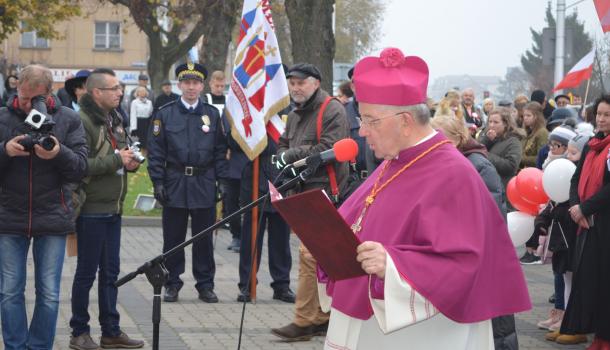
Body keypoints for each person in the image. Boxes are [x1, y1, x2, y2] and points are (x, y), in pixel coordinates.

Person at [316, 47, 530, 350]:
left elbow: (465, 264)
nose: (361, 131)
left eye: (370, 120)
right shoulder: (393, 161)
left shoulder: (454, 174)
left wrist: (391, 264)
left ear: (404, 121)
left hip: (425, 333)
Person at [0, 64, 88, 350]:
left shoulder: (68, 119)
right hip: (8, 216)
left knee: (49, 293)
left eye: (33, 99)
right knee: (10, 291)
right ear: (16, 88)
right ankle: (15, 347)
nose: (26, 104)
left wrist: (58, 153)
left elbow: (79, 169)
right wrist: (4, 151)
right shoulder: (2, 117)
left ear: (48, 94)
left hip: (52, 215)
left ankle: (38, 347)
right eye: (23, 97)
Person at [271, 63, 350, 341]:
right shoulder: (293, 114)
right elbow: (282, 144)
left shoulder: (332, 109)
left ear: (315, 83)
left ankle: (305, 321)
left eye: (300, 82)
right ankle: (320, 317)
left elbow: (328, 150)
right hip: (301, 193)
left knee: (310, 256)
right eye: (292, 83)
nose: (295, 87)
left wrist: (290, 155)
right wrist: (284, 154)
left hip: (326, 193)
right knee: (315, 258)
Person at [431, 114, 523, 350]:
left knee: (495, 331)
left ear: (458, 139)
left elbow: (489, 218)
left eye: (441, 139)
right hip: (462, 261)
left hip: (485, 260)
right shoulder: (444, 163)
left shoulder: (479, 165)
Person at [68, 68, 144, 350]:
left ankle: (111, 331)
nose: (120, 92)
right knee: (86, 273)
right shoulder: (82, 121)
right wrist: (116, 161)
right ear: (96, 92)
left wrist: (130, 161)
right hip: (91, 210)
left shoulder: (114, 117)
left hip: (113, 208)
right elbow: (78, 165)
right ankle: (79, 332)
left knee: (110, 273)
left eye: (120, 88)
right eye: (114, 88)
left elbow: (119, 153)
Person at [147, 63, 228, 304]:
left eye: (196, 83)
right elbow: (156, 151)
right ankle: (172, 283)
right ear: (179, 85)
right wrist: (158, 182)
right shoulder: (165, 113)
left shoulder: (212, 114)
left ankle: (205, 285)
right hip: (175, 181)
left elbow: (220, 150)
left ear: (202, 85)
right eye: (186, 82)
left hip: (203, 181)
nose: (191, 87)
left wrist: (222, 181)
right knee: (173, 238)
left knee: (203, 238)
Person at [560, 94, 610, 349]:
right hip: (587, 223)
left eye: (607, 115)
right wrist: (575, 206)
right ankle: (595, 334)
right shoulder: (592, 145)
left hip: (604, 223)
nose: (601, 119)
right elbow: (574, 178)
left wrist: (585, 208)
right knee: (591, 281)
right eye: (599, 114)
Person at [236, 138, 295, 303]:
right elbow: (234, 142)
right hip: (254, 182)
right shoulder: (253, 114)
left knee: (281, 241)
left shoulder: (290, 115)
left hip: (281, 181)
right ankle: (247, 285)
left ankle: (281, 285)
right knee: (250, 241)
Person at [478, 107, 524, 190]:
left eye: (496, 122)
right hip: (488, 185)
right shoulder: (490, 137)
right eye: (490, 122)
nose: (491, 125)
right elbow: (477, 151)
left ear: (505, 123)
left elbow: (511, 166)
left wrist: (486, 155)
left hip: (503, 188)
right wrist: (487, 140)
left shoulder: (513, 141)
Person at [521, 101, 549, 168]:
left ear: (536, 116)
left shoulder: (542, 132)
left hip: (535, 172)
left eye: (528, 115)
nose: (525, 118)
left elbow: (541, 157)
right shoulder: (527, 132)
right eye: (524, 115)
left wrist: (521, 158)